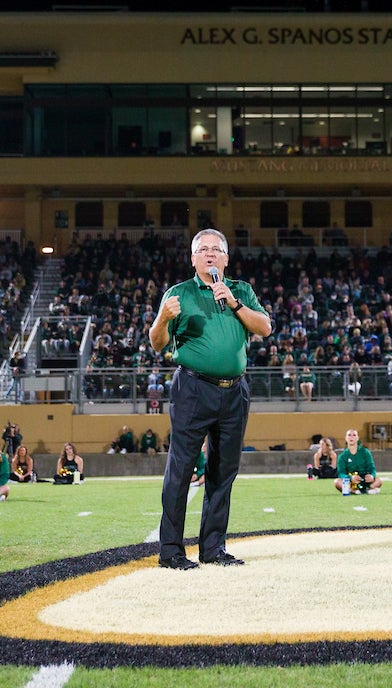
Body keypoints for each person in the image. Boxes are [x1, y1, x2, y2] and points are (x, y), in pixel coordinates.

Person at [150, 228, 272, 570]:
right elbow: (157, 343)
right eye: (202, 249)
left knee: (224, 472)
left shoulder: (240, 291)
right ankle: (171, 551)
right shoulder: (179, 293)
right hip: (193, 388)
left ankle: (213, 548)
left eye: (216, 249)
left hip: (235, 391)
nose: (209, 254)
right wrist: (163, 318)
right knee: (181, 470)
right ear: (192, 258)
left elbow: (264, 328)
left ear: (226, 258)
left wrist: (233, 303)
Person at [335, 428, 382, 494]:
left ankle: (369, 488)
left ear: (357, 438)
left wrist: (371, 476)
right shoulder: (342, 456)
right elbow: (341, 473)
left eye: (354, 435)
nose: (351, 437)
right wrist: (351, 478)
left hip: (364, 478)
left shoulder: (365, 452)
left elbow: (372, 468)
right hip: (351, 480)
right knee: (337, 482)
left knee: (379, 480)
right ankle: (355, 491)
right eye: (349, 435)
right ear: (346, 438)